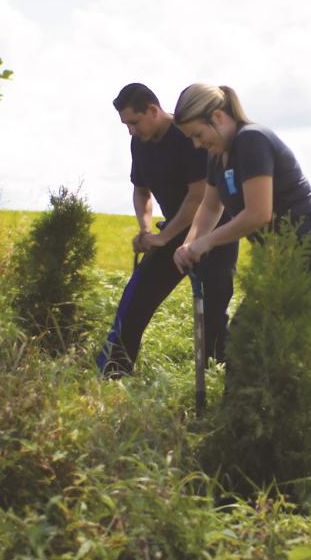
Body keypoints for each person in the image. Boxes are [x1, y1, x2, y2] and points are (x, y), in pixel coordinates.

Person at [96, 83, 239, 377]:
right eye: (126, 125)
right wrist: (146, 230)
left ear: (152, 110)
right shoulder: (139, 143)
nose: (131, 131)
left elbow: (197, 198)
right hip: (171, 232)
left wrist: (163, 236)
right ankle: (114, 373)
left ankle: (216, 380)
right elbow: (141, 192)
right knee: (137, 298)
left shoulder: (187, 135)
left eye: (134, 122)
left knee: (212, 315)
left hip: (214, 234)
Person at [172, 83, 311, 314]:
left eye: (198, 134)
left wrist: (207, 241)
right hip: (280, 253)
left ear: (218, 116)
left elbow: (258, 214)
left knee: (264, 335)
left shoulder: (251, 140)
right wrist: (189, 245)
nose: (196, 144)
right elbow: (211, 207)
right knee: (253, 336)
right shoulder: (216, 155)